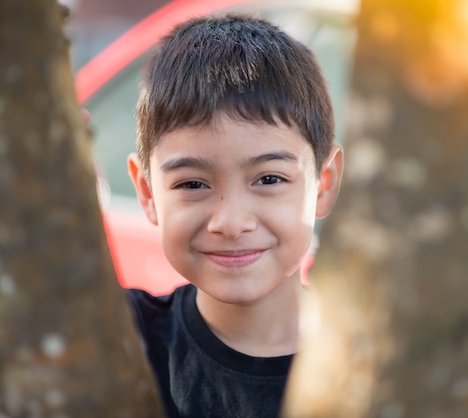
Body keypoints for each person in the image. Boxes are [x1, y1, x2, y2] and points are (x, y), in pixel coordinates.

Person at [126, 13, 343, 418]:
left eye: (269, 179)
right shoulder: (119, 339)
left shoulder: (374, 370)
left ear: (324, 184)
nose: (230, 222)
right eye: (192, 184)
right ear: (147, 190)